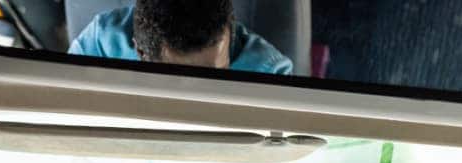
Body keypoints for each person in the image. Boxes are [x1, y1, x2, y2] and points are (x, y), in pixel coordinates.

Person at [68, 0, 293, 74]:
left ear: (230, 35)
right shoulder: (99, 46)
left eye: (216, 75)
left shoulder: (269, 71)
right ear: (141, 53)